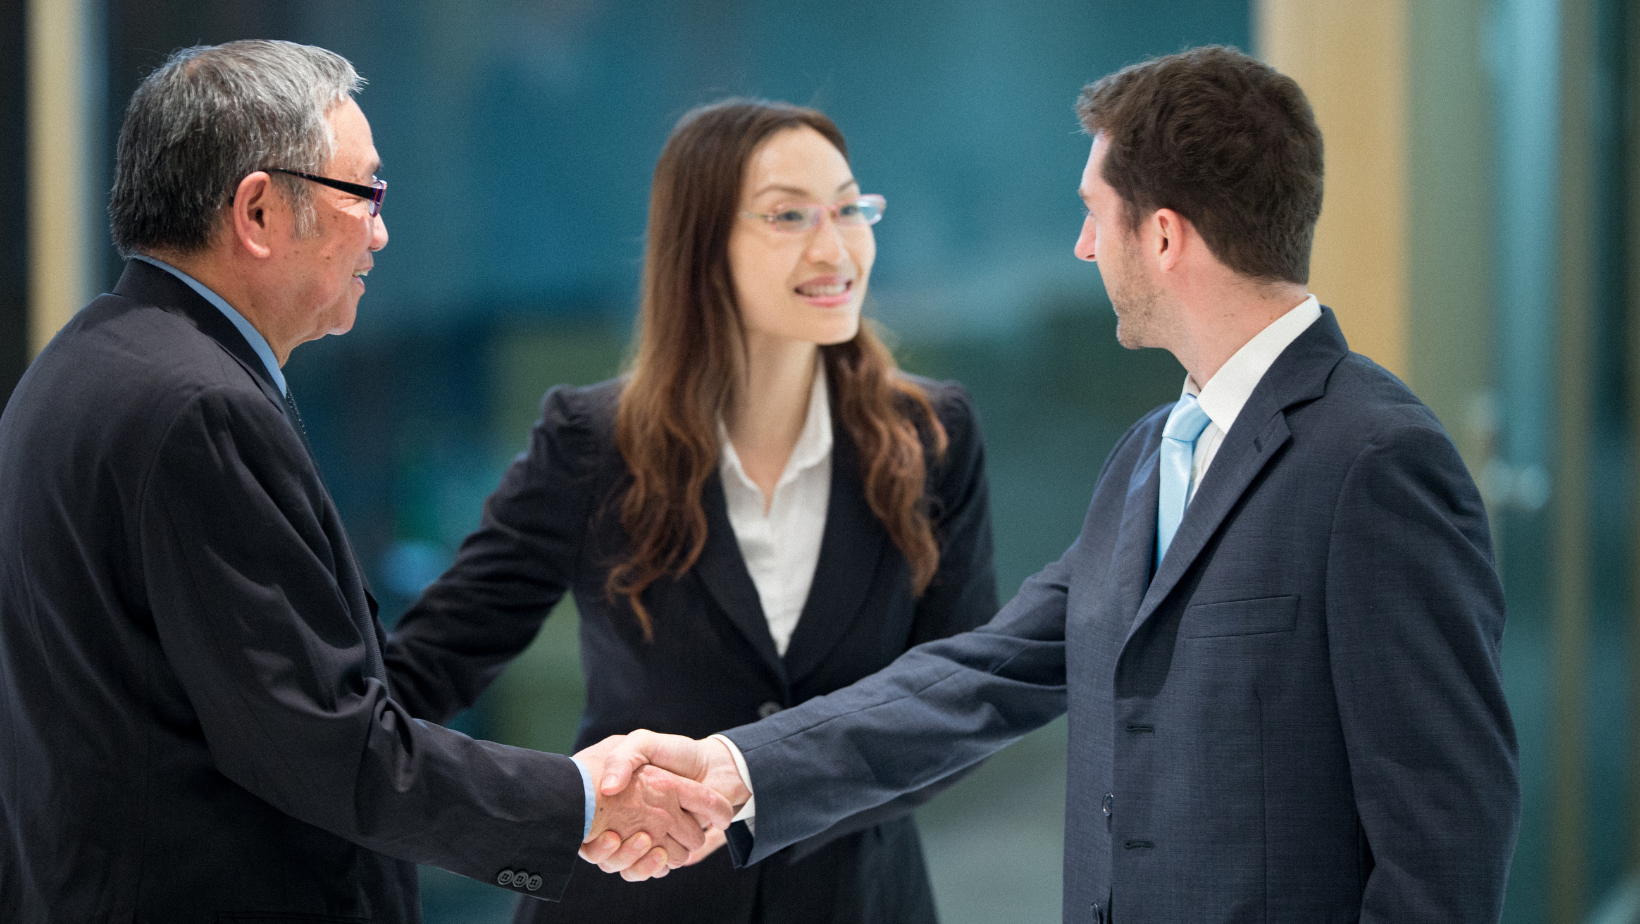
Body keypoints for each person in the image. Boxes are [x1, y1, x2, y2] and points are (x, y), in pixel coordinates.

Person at [589, 46, 1522, 924]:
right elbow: (985, 671)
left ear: (1162, 237)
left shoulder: (1378, 462)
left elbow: (1446, 833)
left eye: (1092, 211)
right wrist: (732, 768)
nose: (1082, 247)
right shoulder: (1150, 455)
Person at [0, 40, 727, 924]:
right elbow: (326, 747)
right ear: (259, 212)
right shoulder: (198, 408)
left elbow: (284, 689)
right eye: (363, 192)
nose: (381, 229)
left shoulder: (86, 359)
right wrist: (580, 803)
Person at [383, 98, 998, 924]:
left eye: (852, 208)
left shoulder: (935, 436)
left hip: (855, 900)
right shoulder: (593, 442)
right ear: (703, 244)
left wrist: (759, 792)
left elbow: (961, 701)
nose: (837, 244)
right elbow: (424, 671)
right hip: (629, 904)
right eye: (790, 215)